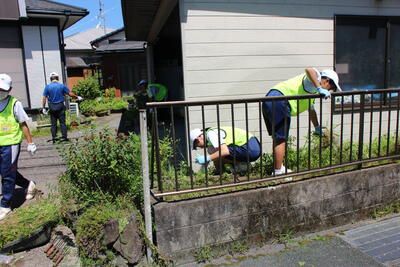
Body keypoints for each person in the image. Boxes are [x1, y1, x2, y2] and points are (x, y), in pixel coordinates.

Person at [262, 68, 341, 175]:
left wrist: (317, 127)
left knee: (278, 138)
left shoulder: (312, 92)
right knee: (280, 139)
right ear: (327, 81)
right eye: (331, 88)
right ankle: (277, 172)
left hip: (270, 100)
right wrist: (319, 88)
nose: (330, 90)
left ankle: (279, 166)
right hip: (280, 101)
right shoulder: (316, 78)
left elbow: (312, 110)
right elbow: (309, 70)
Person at [0, 74, 37, 221]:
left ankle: (5, 205)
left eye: (3, 89)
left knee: (7, 174)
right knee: (6, 171)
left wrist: (30, 143)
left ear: (9, 90)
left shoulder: (15, 104)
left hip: (11, 143)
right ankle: (29, 184)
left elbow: (23, 124)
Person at [190, 127, 261, 173]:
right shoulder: (210, 133)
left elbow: (225, 151)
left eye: (197, 146)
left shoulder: (211, 134)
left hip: (250, 148)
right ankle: (222, 172)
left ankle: (242, 165)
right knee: (214, 151)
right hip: (251, 146)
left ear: (197, 140)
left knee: (213, 151)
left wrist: (208, 158)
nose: (199, 147)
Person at [42, 72, 82, 143]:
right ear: (57, 78)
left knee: (53, 124)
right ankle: (64, 137)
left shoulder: (47, 87)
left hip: (52, 107)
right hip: (60, 106)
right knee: (62, 123)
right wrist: (77, 97)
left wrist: (44, 108)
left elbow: (44, 98)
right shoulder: (62, 86)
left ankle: (54, 138)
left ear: (50, 79)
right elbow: (70, 94)